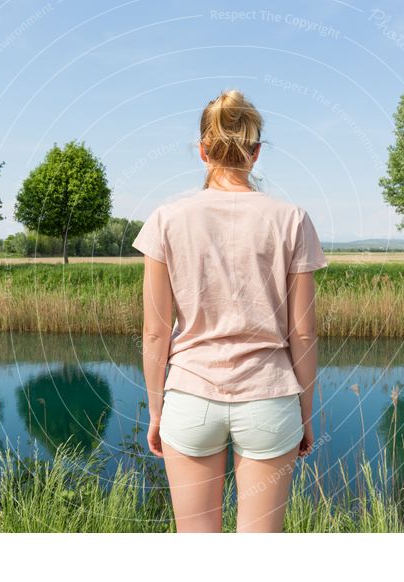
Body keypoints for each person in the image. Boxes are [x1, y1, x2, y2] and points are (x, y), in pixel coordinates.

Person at [131, 89, 328, 533]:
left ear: (203, 151)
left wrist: (158, 411)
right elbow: (303, 334)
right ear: (256, 154)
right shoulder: (293, 219)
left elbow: (155, 334)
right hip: (269, 397)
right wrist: (305, 411)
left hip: (190, 396)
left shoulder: (166, 219)